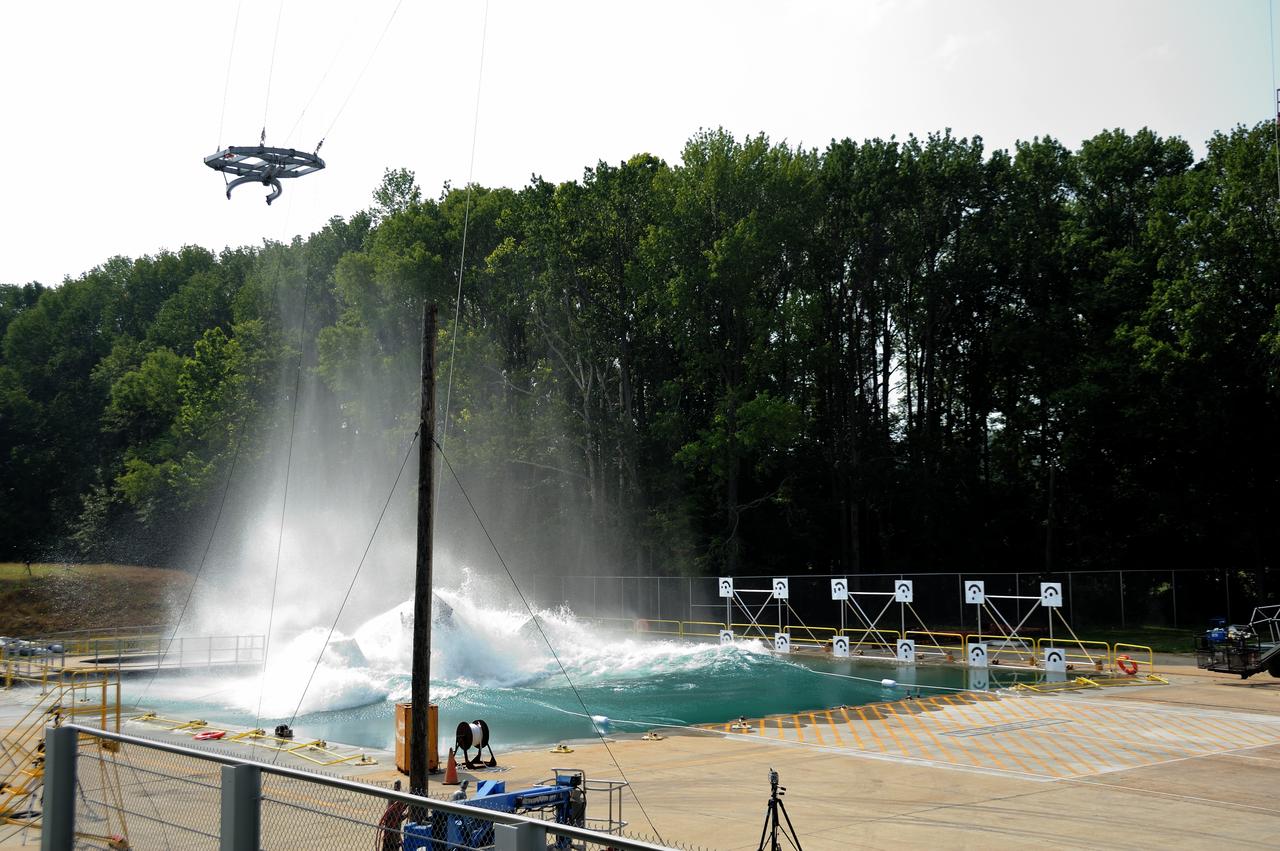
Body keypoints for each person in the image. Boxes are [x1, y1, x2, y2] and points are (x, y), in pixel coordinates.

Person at [376, 780, 408, 851]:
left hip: (394, 829)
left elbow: (398, 814)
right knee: (392, 842)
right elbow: (394, 814)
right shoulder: (394, 797)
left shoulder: (396, 797)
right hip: (392, 827)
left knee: (393, 842)